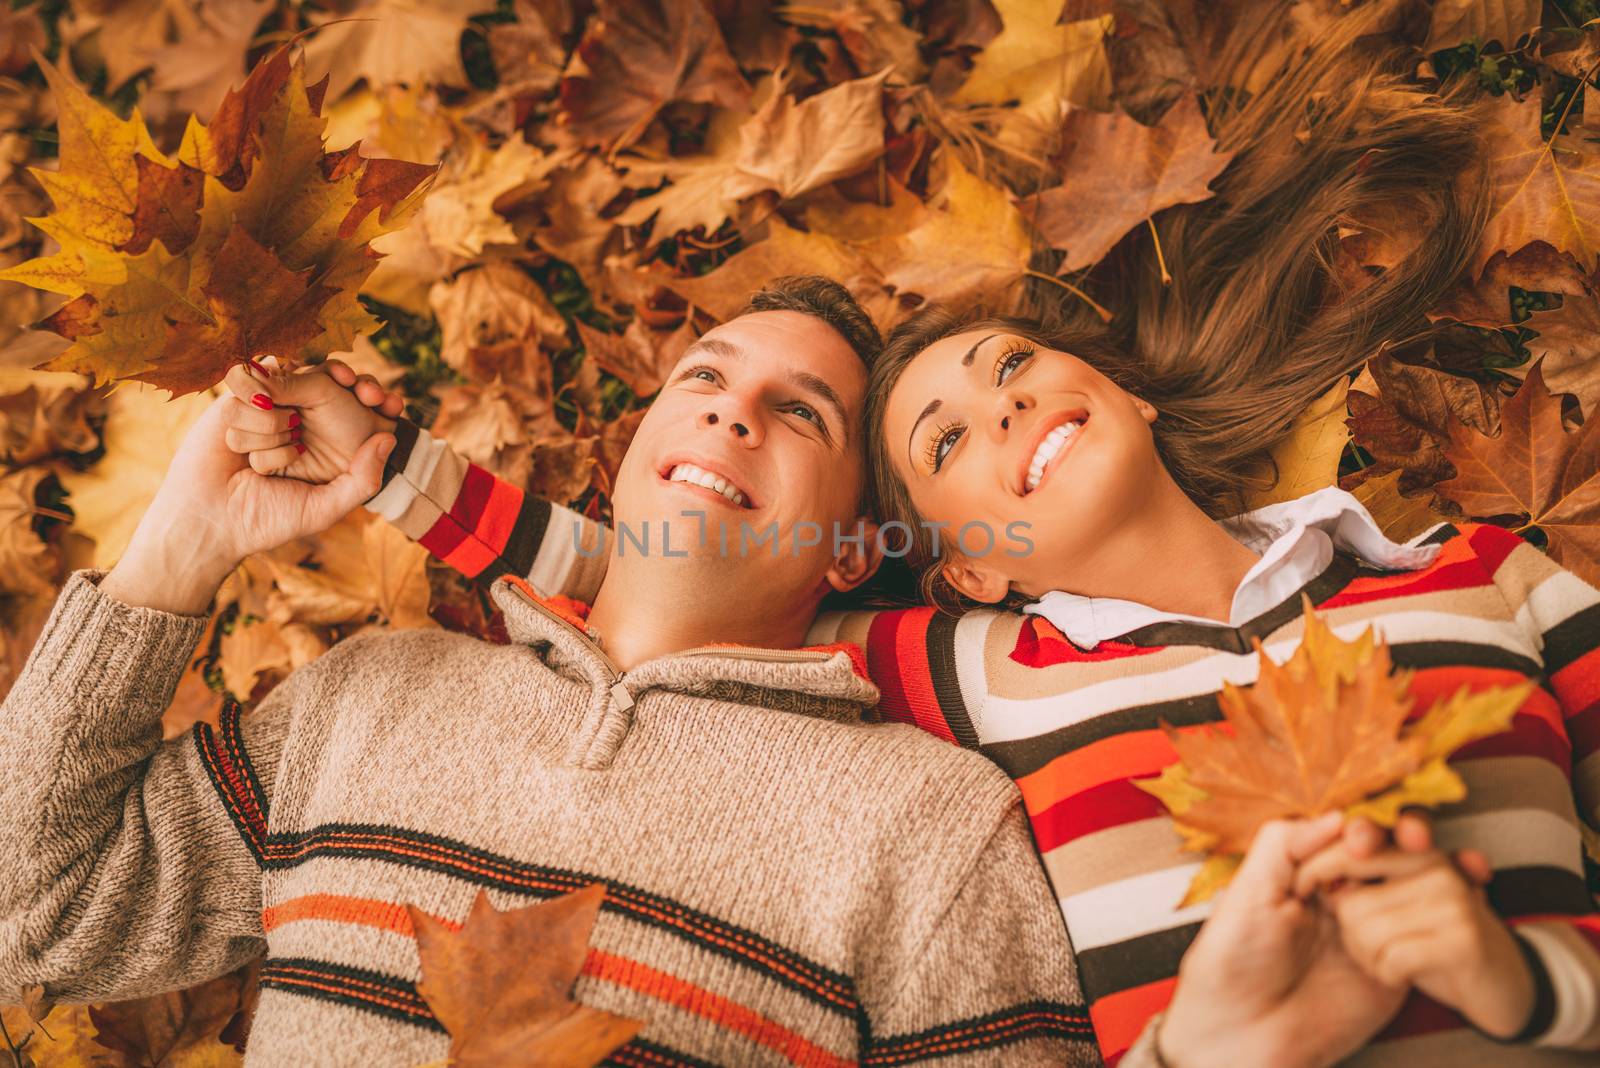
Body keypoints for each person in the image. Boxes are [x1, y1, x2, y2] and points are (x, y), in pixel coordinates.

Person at [263, 6, 1600, 1066]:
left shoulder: (1494, 581)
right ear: (971, 565)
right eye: (948, 443)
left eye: (1014, 364)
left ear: (1125, 393)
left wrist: (1527, 984)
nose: (1004, 400)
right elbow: (665, 573)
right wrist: (386, 468)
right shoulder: (979, 674)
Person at [1, 279, 1124, 1066]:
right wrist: (182, 544)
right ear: (633, 446)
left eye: (799, 415)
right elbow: (33, 913)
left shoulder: (929, 827)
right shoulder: (368, 698)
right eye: (705, 377)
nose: (733, 409)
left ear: (848, 546)